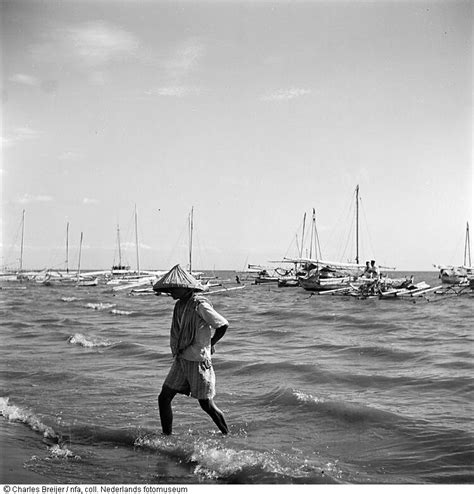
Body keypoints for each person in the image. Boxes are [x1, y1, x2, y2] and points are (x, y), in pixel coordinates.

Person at [153, 264, 229, 435]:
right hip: (182, 358)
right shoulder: (180, 305)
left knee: (206, 404)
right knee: (164, 398)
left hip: (198, 361)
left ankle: (227, 435)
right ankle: (167, 437)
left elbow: (222, 324)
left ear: (184, 288)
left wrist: (211, 343)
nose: (170, 291)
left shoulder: (199, 305)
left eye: (173, 288)